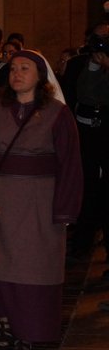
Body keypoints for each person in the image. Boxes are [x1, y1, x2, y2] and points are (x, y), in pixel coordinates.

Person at [0, 49, 82, 350]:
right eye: (13, 68)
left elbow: (70, 163)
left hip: (40, 202)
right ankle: (3, 322)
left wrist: (65, 208)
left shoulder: (57, 114)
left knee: (34, 266)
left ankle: (29, 330)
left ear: (40, 76)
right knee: (0, 263)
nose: (17, 74)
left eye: (25, 68)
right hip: (1, 197)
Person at [66, 23, 109, 260]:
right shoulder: (78, 65)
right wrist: (93, 66)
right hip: (84, 134)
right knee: (86, 188)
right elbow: (80, 95)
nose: (102, 44)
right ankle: (80, 245)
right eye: (98, 39)